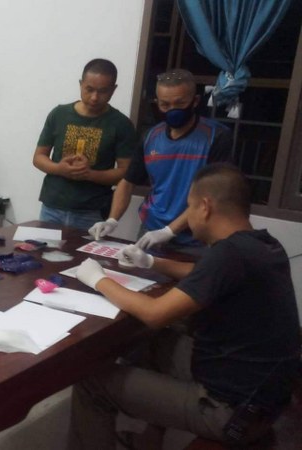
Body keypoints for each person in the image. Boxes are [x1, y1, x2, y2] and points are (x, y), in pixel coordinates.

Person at [72, 164, 301, 449]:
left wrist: (98, 279)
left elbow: (155, 314)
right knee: (145, 343)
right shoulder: (262, 244)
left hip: (232, 410)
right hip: (262, 391)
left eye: (190, 207)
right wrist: (151, 262)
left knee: (91, 381)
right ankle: (150, 440)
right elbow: (202, 273)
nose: (188, 217)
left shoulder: (229, 254)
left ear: (205, 207)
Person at [88, 69, 233, 250]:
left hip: (195, 238)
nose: (172, 110)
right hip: (150, 230)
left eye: (180, 103)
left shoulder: (215, 136)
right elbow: (127, 182)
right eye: (165, 105)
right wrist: (112, 220)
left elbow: (211, 196)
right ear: (157, 103)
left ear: (195, 101)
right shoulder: (151, 137)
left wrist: (169, 231)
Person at [33, 59, 136, 229]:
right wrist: (60, 169)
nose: (95, 97)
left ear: (113, 90)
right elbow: (38, 158)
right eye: (89, 89)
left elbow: (126, 173)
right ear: (81, 84)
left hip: (93, 211)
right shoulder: (59, 114)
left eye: (103, 91)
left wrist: (89, 174)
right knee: (42, 247)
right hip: (52, 206)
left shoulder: (121, 124)